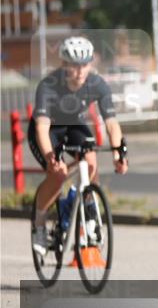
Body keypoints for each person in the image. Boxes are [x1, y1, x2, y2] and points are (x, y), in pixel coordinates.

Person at [29, 36, 129, 255]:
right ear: (64, 65)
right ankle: (39, 224)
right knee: (58, 175)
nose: (80, 71)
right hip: (49, 130)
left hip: (73, 124)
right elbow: (41, 129)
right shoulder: (48, 86)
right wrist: (50, 158)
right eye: (74, 66)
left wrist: (118, 153)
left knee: (91, 162)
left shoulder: (97, 84)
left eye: (85, 64)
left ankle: (90, 213)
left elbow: (112, 124)